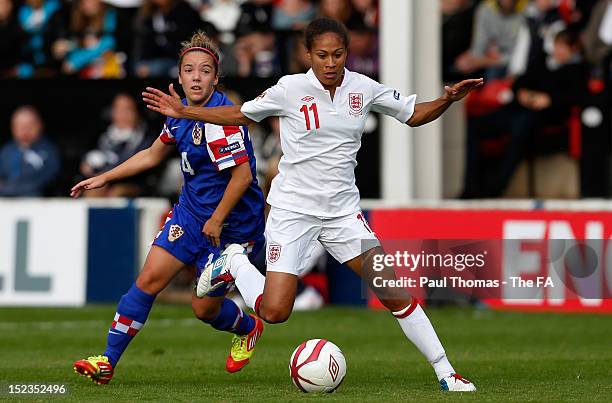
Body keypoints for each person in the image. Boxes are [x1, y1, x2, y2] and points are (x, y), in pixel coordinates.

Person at [143, 18, 482, 392]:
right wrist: (186, 112)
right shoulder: (290, 88)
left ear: (346, 54)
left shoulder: (362, 88)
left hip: (342, 213)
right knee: (274, 312)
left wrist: (447, 99)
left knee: (393, 290)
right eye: (322, 55)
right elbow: (242, 114)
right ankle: (234, 261)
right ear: (308, 55)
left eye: (338, 54)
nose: (331, 62)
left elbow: (413, 115)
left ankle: (446, 372)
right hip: (293, 211)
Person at [71, 31, 266, 385]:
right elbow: (151, 154)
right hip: (191, 216)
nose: (196, 77)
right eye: (189, 70)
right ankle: (107, 361)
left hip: (232, 225)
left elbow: (242, 177)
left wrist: (218, 219)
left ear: (216, 77)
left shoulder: (219, 121)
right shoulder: (178, 113)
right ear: (179, 76)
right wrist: (105, 177)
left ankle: (249, 326)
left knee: (203, 308)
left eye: (204, 71)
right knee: (148, 280)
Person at [80, 93, 153, 197]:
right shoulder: (104, 135)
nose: (122, 114)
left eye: (127, 109)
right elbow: (91, 154)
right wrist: (87, 164)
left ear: (137, 112)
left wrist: (105, 175)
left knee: (116, 193)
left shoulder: (144, 138)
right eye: (117, 109)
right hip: (102, 180)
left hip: (131, 183)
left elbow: (136, 165)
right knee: (91, 191)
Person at [0, 106, 60, 196]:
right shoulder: (7, 150)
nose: (25, 129)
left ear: (39, 125)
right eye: (20, 125)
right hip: (6, 197)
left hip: (36, 199)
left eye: (30, 125)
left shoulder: (48, 150)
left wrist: (18, 189)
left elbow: (51, 178)